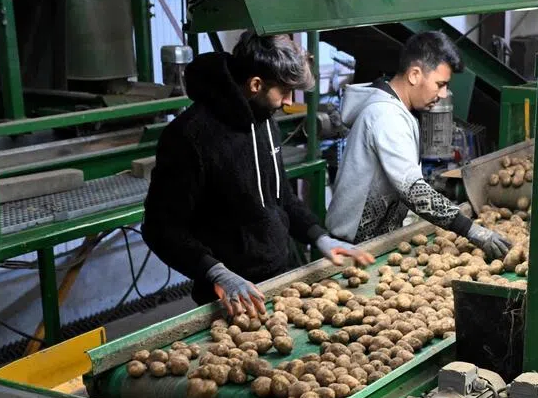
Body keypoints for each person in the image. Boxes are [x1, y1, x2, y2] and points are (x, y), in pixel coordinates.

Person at [143, 32, 371, 317]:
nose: (289, 102)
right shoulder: (189, 137)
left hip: (279, 280)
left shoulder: (263, 121)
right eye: (284, 92)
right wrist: (216, 273)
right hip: (230, 296)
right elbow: (161, 228)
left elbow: (281, 198)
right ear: (255, 84)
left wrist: (320, 237)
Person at [326, 31, 511, 261]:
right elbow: (414, 191)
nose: (443, 94)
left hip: (373, 243)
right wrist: (471, 230)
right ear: (414, 74)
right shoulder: (386, 115)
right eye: (440, 84)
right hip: (350, 249)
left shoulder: (398, 111)